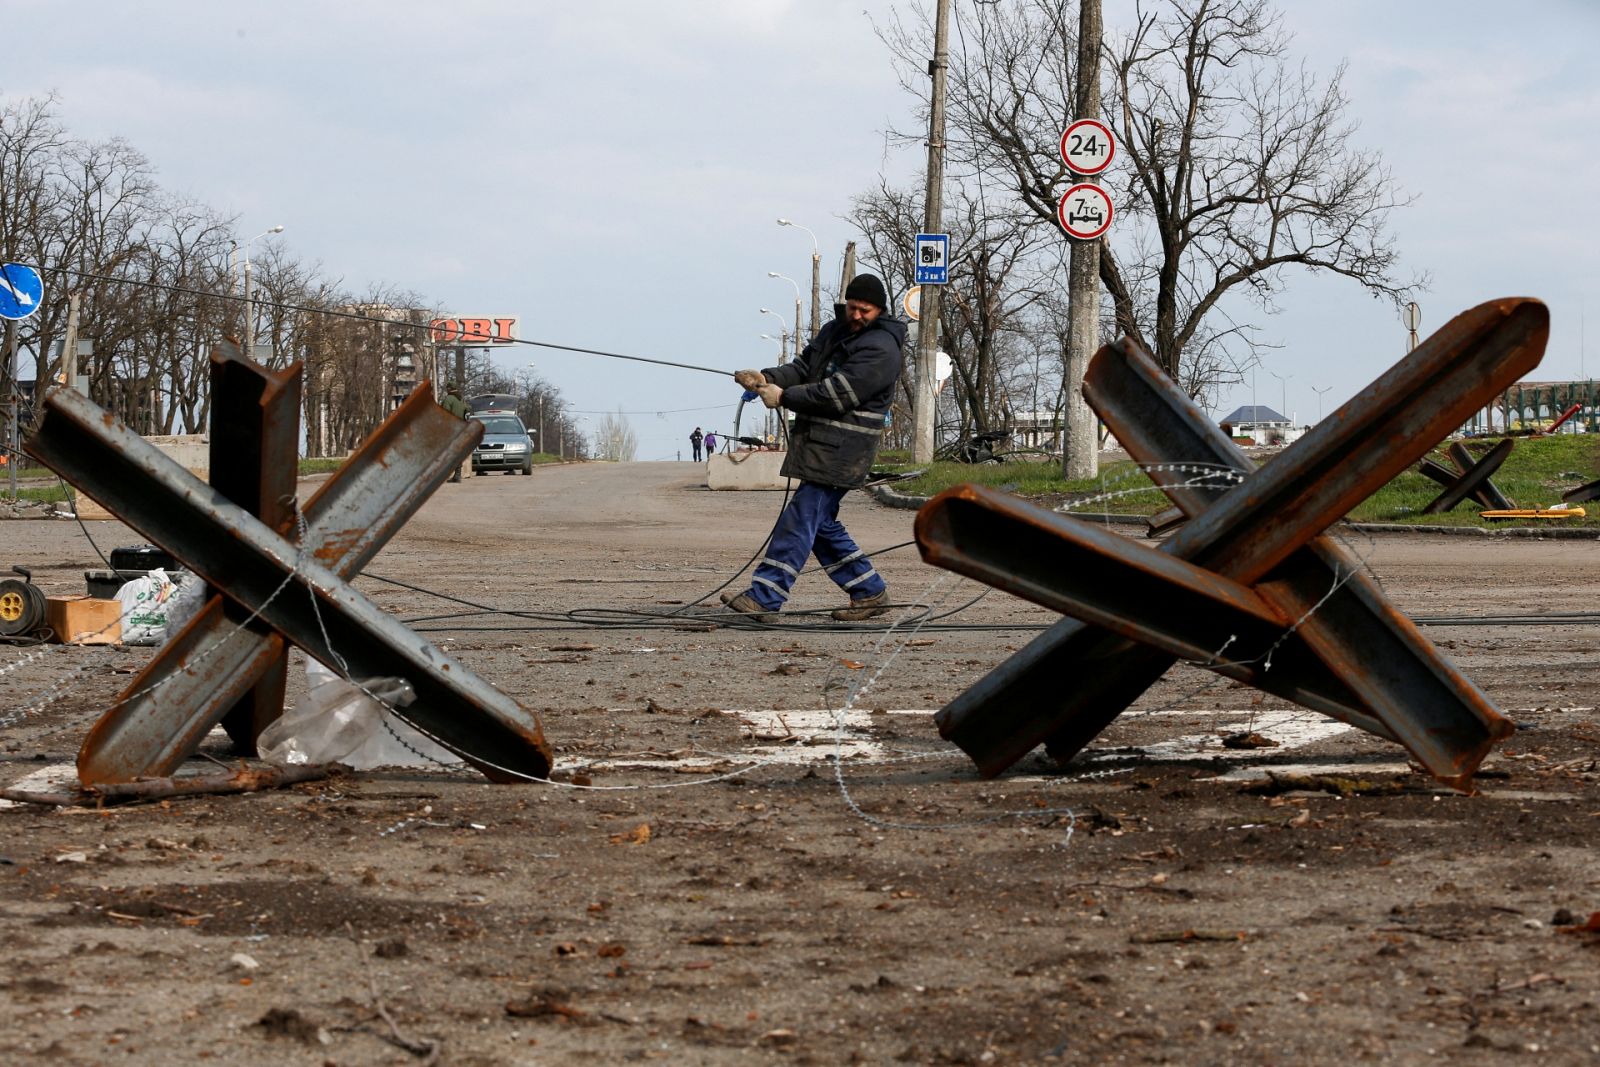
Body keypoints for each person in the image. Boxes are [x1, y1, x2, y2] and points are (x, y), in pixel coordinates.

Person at [721, 273, 904, 622]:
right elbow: (804, 368)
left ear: (879, 310)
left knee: (801, 518)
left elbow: (838, 394)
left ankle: (765, 596)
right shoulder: (834, 331)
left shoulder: (881, 348)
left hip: (845, 450)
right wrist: (766, 378)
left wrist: (785, 397)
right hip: (822, 446)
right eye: (852, 307)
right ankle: (868, 591)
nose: (857, 315)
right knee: (819, 525)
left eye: (865, 310)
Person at [440, 384, 470, 482]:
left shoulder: (449, 399)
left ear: (449, 389)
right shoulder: (461, 399)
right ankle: (457, 475)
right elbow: (467, 412)